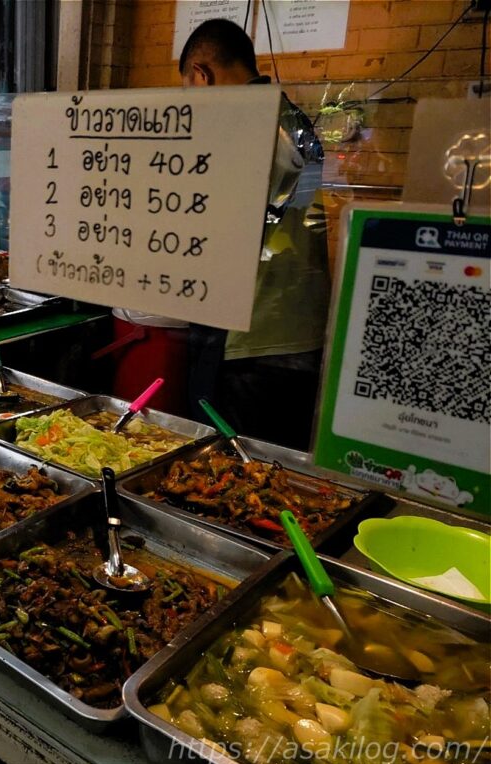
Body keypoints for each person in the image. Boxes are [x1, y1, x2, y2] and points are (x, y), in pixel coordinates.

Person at [179, 18, 330, 450]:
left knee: (228, 465)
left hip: (250, 335)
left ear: (202, 75)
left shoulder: (244, 122)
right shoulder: (289, 117)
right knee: (273, 464)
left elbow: (211, 223)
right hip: (295, 328)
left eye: (189, 92)